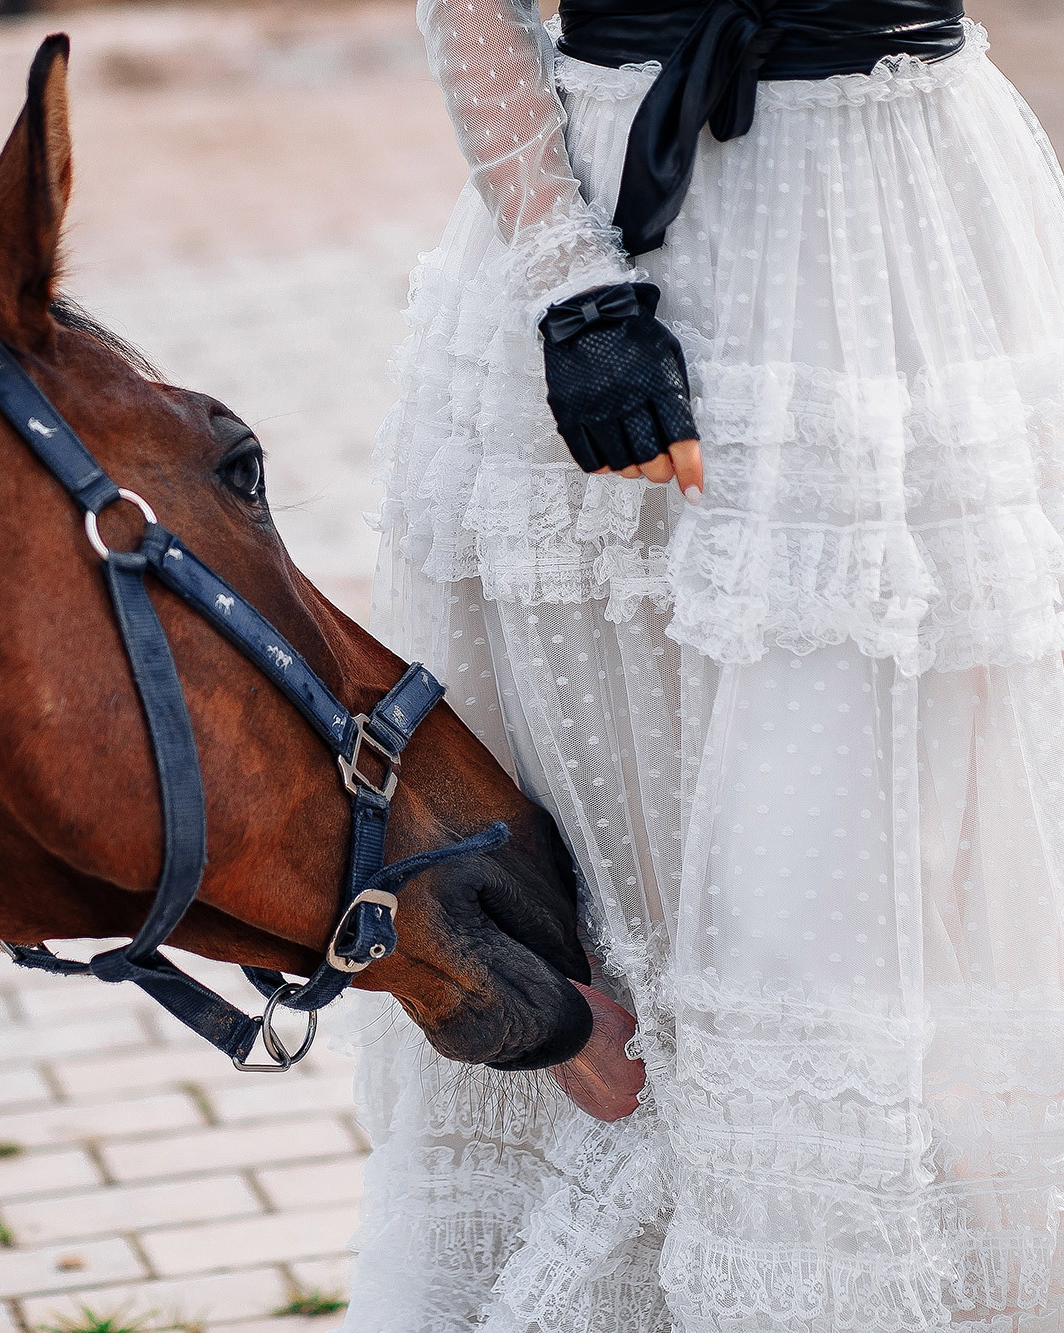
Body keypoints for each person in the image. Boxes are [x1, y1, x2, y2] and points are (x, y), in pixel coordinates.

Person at [338, 1, 1064, 1329]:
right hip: (608, 231)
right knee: (628, 900)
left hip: (899, 247)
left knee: (851, 896)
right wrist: (570, 291)